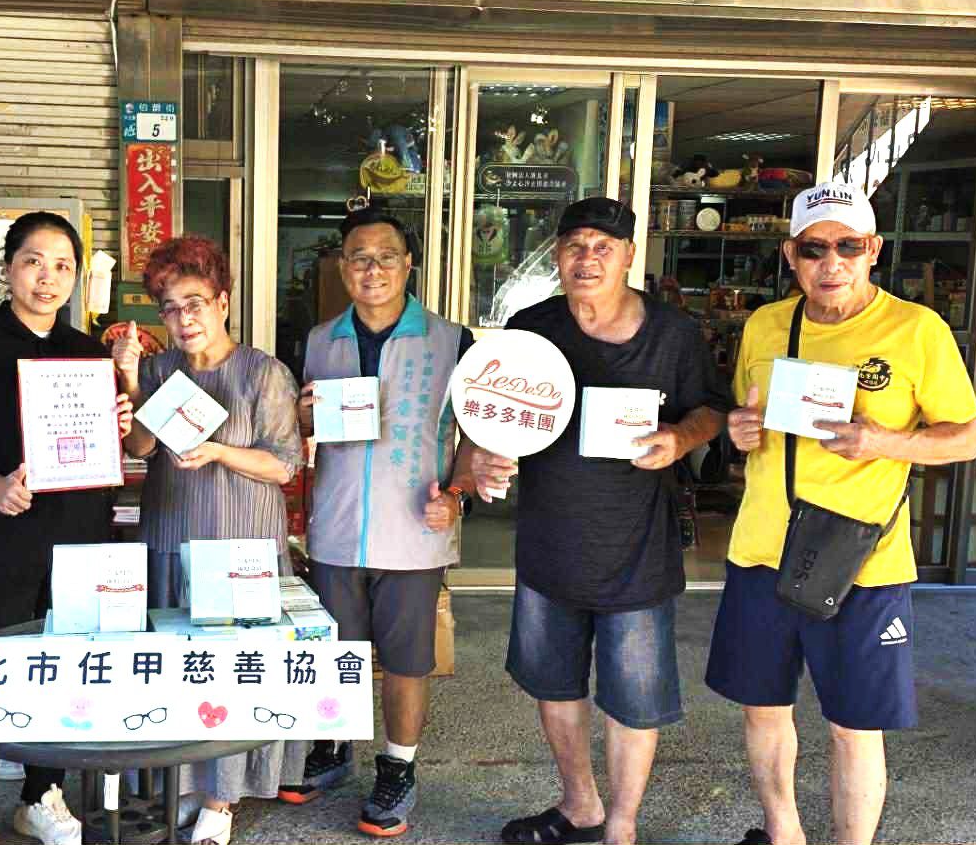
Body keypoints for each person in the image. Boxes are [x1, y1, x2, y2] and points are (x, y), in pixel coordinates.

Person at [708, 182, 976, 845]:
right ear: (790, 255)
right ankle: (783, 833)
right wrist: (738, 429)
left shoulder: (916, 329)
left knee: (854, 725)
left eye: (848, 246)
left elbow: (967, 437)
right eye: (813, 248)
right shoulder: (766, 324)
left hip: (861, 560)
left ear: (873, 250)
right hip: (763, 549)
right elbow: (748, 416)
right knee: (762, 708)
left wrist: (882, 441)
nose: (830, 262)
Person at [471, 197, 729, 845]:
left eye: (602, 247)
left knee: (633, 698)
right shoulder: (531, 328)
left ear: (628, 256)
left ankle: (622, 826)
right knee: (553, 685)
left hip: (636, 548)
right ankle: (580, 807)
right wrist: (485, 456)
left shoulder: (672, 332)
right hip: (549, 542)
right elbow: (491, 413)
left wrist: (679, 438)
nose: (587, 259)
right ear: (557, 256)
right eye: (574, 246)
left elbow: (711, 409)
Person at [0, 212, 135, 845]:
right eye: (34, 261)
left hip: (79, 534)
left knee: (65, 661)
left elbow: (120, 446)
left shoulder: (89, 353)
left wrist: (119, 418)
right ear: (7, 268)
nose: (47, 277)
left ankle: (42, 794)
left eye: (63, 266)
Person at [279, 209, 479, 838]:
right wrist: (302, 419)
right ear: (342, 267)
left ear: (408, 264)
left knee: (407, 660)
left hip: (414, 528)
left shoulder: (452, 341)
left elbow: (477, 432)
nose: (373, 269)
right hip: (337, 527)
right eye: (359, 257)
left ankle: (397, 766)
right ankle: (333, 747)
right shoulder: (317, 340)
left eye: (386, 256)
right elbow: (298, 432)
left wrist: (459, 493)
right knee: (337, 651)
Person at [113, 236, 305, 845]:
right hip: (171, 536)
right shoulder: (157, 370)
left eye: (194, 303)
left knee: (232, 672)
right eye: (170, 308)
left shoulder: (262, 373)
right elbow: (141, 447)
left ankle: (223, 798)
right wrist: (128, 383)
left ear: (222, 302)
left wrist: (219, 450)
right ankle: (183, 784)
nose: (184, 319)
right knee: (176, 667)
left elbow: (284, 464)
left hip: (241, 546)